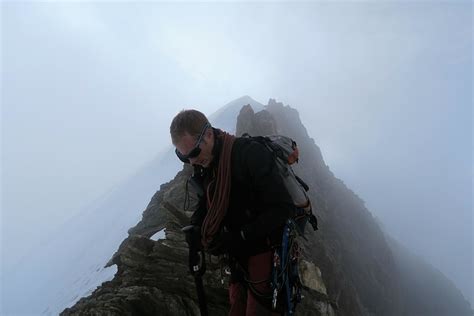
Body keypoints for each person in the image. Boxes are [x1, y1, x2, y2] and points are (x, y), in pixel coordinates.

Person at [170, 109, 295, 316]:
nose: (191, 162)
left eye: (193, 153)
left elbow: (283, 208)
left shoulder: (249, 155)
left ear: (208, 134)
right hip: (238, 257)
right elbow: (207, 201)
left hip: (265, 251)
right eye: (183, 157)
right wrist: (195, 227)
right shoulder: (208, 164)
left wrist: (240, 236)